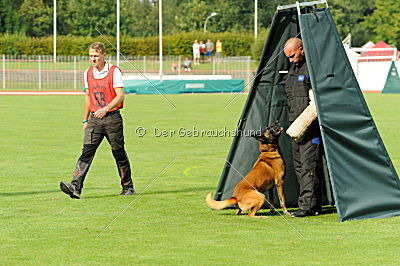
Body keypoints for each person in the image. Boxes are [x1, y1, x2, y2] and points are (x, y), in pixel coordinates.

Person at [60, 42, 135, 199]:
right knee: (86, 151)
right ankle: (75, 188)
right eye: (91, 56)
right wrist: (85, 120)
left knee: (118, 153)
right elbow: (88, 97)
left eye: (96, 56)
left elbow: (120, 96)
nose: (93, 59)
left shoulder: (114, 71)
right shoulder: (87, 72)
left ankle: (128, 187)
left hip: (112, 118)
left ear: (103, 55)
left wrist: (106, 109)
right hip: (94, 119)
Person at [283, 37, 322, 217]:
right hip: (295, 125)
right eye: (288, 58)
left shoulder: (312, 68)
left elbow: (317, 101)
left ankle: (306, 207)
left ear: (301, 49)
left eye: (292, 56)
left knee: (309, 167)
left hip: (310, 127)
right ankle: (312, 205)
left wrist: (306, 122)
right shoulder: (294, 68)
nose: (290, 60)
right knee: (299, 166)